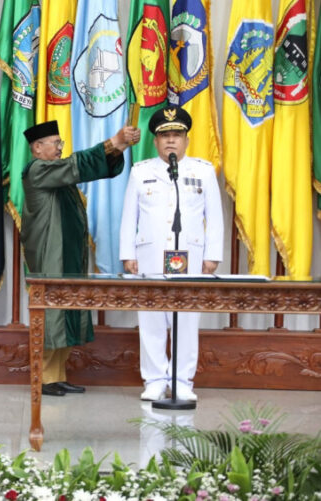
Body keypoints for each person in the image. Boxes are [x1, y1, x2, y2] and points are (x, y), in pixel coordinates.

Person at [21, 120, 141, 396]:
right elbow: (77, 165)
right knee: (53, 314)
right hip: (50, 256)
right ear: (37, 148)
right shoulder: (37, 170)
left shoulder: (57, 175)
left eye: (61, 143)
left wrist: (117, 148)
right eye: (56, 143)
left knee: (68, 311)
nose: (60, 148)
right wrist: (114, 142)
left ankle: (58, 374)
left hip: (68, 254)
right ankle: (44, 378)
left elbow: (88, 169)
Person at [119, 106, 223, 402]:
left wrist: (212, 254)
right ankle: (154, 380)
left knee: (187, 319)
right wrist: (128, 253)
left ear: (186, 140)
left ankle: (182, 381)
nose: (171, 141)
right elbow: (130, 216)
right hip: (150, 255)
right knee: (151, 318)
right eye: (165, 136)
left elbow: (214, 216)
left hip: (190, 254)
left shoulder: (202, 171)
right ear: (155, 141)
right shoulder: (141, 172)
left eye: (176, 135)